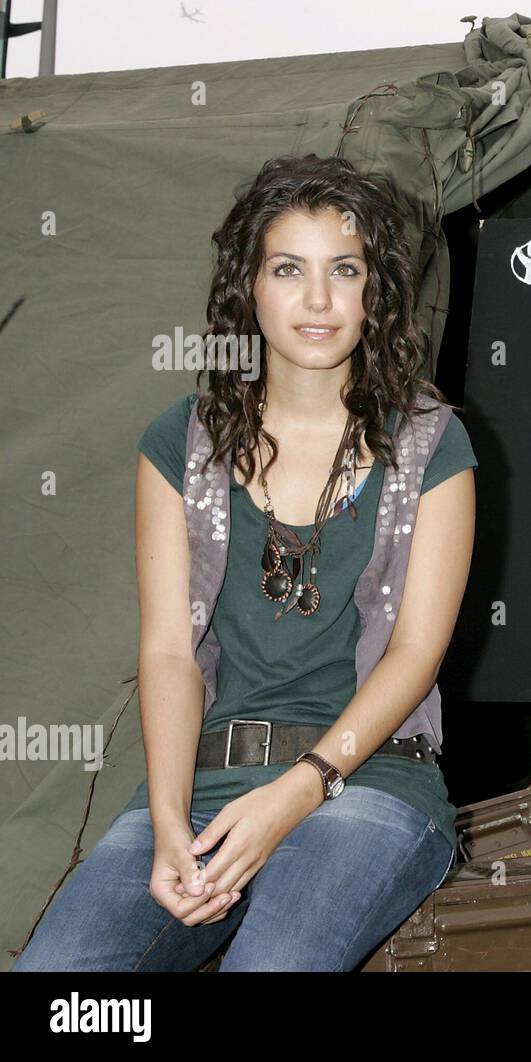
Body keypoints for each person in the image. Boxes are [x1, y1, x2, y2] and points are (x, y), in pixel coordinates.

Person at [14, 155, 477, 971]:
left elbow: (415, 651)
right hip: (206, 786)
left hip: (368, 781)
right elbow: (165, 652)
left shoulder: (430, 441)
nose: (319, 300)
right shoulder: (180, 443)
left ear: (377, 291)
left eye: (345, 270)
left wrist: (300, 788)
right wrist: (166, 822)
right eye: (288, 269)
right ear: (249, 286)